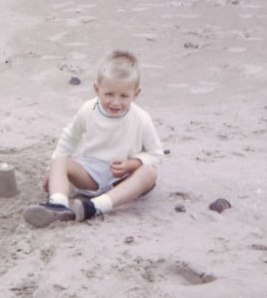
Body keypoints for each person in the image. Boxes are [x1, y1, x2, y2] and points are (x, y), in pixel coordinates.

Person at [23, 50, 163, 228]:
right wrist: (53, 172)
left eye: (124, 96)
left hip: (124, 180)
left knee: (149, 173)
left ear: (136, 94)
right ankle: (58, 203)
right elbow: (69, 138)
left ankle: (94, 207)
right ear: (97, 89)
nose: (115, 102)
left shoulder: (141, 118)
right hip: (91, 174)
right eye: (109, 94)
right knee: (59, 161)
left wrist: (132, 164)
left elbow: (156, 155)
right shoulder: (87, 110)